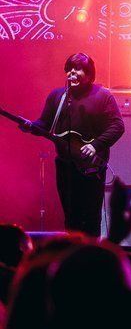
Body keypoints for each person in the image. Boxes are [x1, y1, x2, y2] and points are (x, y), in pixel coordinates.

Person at [19, 52, 124, 236]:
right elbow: (45, 124)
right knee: (71, 217)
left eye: (78, 69)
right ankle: (72, 251)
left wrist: (95, 145)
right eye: (69, 69)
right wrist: (31, 126)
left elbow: (117, 126)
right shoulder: (58, 96)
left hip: (91, 168)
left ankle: (90, 251)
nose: (72, 73)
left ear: (89, 75)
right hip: (65, 166)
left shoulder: (103, 95)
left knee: (90, 217)